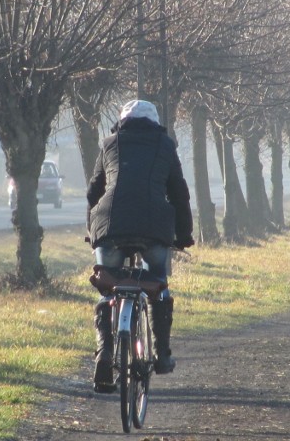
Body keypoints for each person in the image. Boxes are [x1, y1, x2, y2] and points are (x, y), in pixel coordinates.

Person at [86, 99, 194, 393]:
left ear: (123, 121)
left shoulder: (110, 143)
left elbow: (94, 190)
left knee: (108, 287)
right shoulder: (165, 145)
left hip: (110, 226)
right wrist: (183, 235)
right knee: (157, 282)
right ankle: (161, 354)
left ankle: (105, 352)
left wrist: (92, 230)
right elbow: (179, 194)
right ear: (154, 122)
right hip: (154, 228)